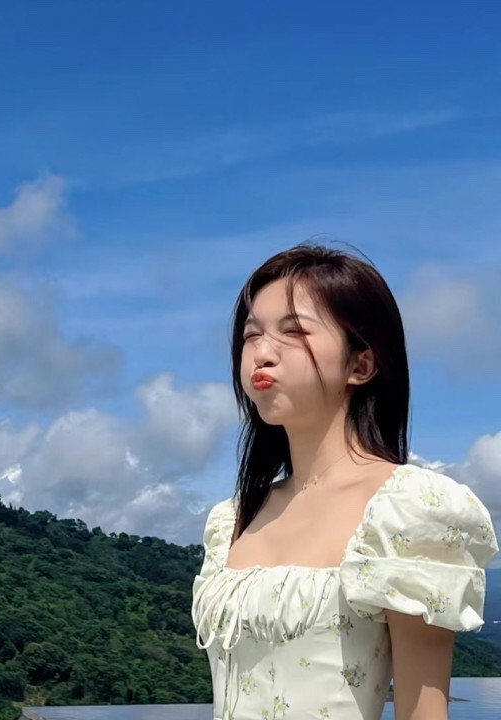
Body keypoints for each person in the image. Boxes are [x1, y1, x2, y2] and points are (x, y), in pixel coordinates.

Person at [191, 242, 498, 720]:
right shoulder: (232, 519)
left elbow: (422, 711)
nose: (261, 353)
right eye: (251, 335)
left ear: (360, 365)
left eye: (294, 331)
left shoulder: (408, 510)